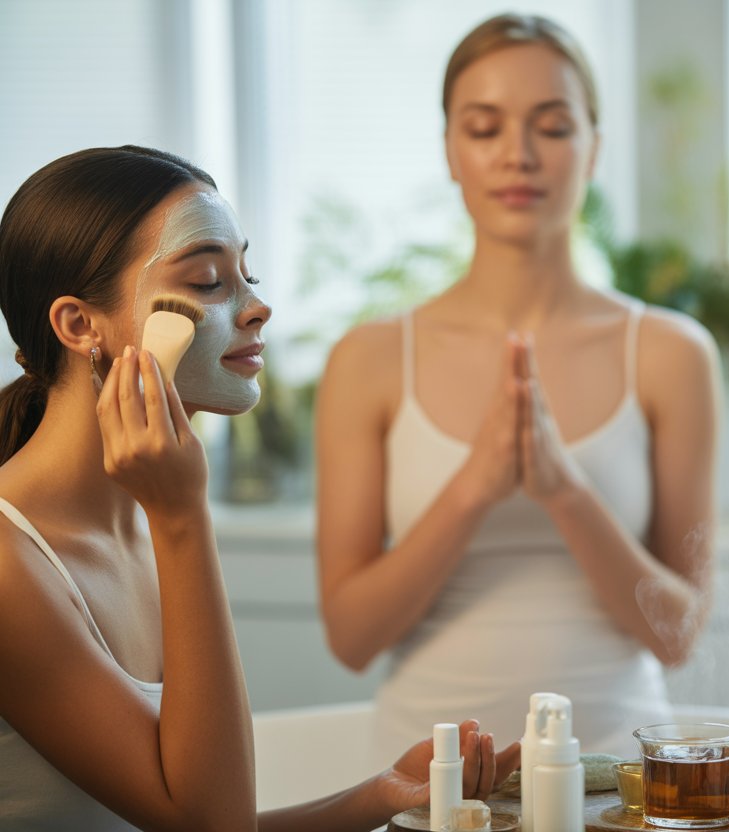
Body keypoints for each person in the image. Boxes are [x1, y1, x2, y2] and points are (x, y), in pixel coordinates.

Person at [0, 145, 517, 831]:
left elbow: (209, 814)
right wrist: (184, 518)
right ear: (78, 326)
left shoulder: (142, 524)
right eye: (210, 282)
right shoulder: (13, 563)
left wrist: (380, 796)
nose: (258, 307)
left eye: (248, 274)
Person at [316, 13, 720, 761]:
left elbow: (678, 634)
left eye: (553, 127)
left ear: (594, 149)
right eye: (484, 127)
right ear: (449, 151)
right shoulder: (368, 358)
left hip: (622, 779)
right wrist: (473, 487)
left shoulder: (670, 354)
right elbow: (351, 637)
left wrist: (565, 491)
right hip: (426, 785)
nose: (519, 156)